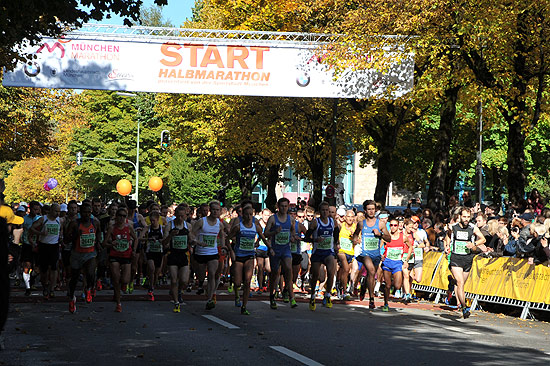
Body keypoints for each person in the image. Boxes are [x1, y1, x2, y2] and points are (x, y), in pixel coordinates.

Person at [444, 207, 486, 319]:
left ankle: (452, 282)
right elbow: (448, 236)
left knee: (460, 284)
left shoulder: (473, 227)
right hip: (455, 258)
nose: (466, 219)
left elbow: (483, 239)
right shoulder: (454, 227)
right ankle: (464, 307)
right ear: (460, 216)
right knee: (461, 282)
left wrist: (474, 244)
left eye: (468, 217)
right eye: (464, 217)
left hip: (467, 259)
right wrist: (447, 246)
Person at [227, 204, 268, 315]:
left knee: (247, 281)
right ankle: (236, 295)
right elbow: (227, 239)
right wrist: (231, 251)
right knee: (238, 282)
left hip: (250, 255)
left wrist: (270, 248)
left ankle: (244, 306)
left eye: (251, 214)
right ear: (243, 215)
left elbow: (263, 237)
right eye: (247, 214)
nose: (249, 216)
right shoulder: (238, 226)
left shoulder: (256, 226)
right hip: (239, 255)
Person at [352, 200, 391, 309]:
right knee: (372, 272)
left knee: (371, 275)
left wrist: (381, 234)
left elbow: (389, 238)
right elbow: (355, 235)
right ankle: (371, 299)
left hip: (376, 255)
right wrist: (355, 240)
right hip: (365, 254)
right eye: (369, 209)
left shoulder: (380, 224)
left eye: (373, 209)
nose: (371, 211)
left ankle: (364, 285)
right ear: (365, 210)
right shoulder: (361, 223)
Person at [65, 203, 101, 314]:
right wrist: (76, 235)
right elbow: (66, 240)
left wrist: (98, 243)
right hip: (77, 254)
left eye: (89, 212)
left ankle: (88, 288)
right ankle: (71, 298)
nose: (87, 214)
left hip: (90, 253)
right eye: (85, 212)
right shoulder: (74, 224)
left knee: (91, 272)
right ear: (80, 212)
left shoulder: (95, 223)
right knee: (74, 279)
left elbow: (99, 233)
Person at [191, 200, 226, 310]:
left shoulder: (219, 224)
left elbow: (222, 236)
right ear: (210, 210)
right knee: (201, 276)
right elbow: (191, 234)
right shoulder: (202, 222)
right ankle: (201, 283)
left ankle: (210, 298)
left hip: (213, 252)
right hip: (200, 252)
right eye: (214, 210)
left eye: (217, 210)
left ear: (220, 211)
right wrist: (197, 242)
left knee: (212, 274)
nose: (215, 212)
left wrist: (224, 247)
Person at [263, 198, 297, 309]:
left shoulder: (290, 219)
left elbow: (292, 231)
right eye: (282, 206)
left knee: (288, 268)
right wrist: (274, 232)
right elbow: (265, 234)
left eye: (286, 206)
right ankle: (272, 295)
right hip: (275, 250)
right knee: (274, 273)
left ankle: (289, 294)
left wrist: (292, 237)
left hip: (286, 249)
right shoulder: (273, 218)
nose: (284, 208)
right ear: (278, 206)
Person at [306, 202, 339, 310]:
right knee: (316, 275)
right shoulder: (315, 222)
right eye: (323, 210)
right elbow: (306, 237)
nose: (325, 212)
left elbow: (336, 233)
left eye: (327, 210)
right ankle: (312, 296)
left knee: (331, 272)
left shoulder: (333, 222)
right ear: (320, 211)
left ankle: (328, 295)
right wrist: (315, 239)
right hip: (317, 252)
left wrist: (336, 243)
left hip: (328, 252)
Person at [103, 207, 137, 312]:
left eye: (124, 216)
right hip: (115, 255)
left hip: (126, 255)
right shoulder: (112, 228)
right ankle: (118, 303)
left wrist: (134, 250)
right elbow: (104, 243)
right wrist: (111, 244)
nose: (122, 218)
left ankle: (124, 285)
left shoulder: (129, 227)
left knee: (125, 280)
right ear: (116, 216)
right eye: (120, 215)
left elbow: (136, 238)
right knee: (116, 279)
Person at [163, 205, 192, 313]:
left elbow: (191, 239)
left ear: (185, 216)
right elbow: (164, 243)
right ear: (175, 215)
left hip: (183, 255)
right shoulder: (169, 225)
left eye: (182, 216)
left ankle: (179, 291)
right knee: (174, 280)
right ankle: (176, 302)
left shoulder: (188, 226)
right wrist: (170, 235)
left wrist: (194, 242)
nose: (180, 218)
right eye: (178, 216)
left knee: (184, 280)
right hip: (173, 254)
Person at [31, 203, 62, 299]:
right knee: (43, 270)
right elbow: (31, 229)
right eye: (56, 211)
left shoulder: (60, 220)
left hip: (54, 246)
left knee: (54, 267)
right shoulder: (43, 219)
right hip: (43, 246)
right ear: (51, 210)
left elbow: (61, 230)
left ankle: (52, 289)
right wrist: (40, 233)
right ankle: (45, 286)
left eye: (59, 211)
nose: (57, 213)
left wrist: (61, 236)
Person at [381, 218, 413, 311]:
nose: (393, 227)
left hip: (397, 263)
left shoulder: (403, 237)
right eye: (391, 225)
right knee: (387, 285)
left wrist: (406, 260)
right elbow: (379, 247)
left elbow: (410, 247)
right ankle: (386, 303)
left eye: (395, 225)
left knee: (397, 285)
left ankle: (395, 290)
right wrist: (381, 256)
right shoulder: (386, 237)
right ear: (389, 226)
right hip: (387, 262)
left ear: (399, 226)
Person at [20, 201, 42, 296]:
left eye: (37, 209)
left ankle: (32, 279)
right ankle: (27, 287)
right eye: (34, 209)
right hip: (27, 245)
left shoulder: (40, 219)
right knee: (26, 266)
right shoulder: (24, 219)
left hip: (38, 245)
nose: (36, 211)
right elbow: (21, 230)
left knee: (37, 268)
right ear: (29, 209)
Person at [142, 211, 164, 301]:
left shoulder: (163, 228)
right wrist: (148, 239)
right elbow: (139, 238)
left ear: (158, 220)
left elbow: (166, 238)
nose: (152, 222)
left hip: (159, 252)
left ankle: (152, 286)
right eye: (151, 221)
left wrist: (162, 240)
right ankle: (150, 288)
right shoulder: (148, 228)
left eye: (154, 221)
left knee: (157, 273)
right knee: (152, 268)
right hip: (150, 251)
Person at [337, 210, 356, 300]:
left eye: (352, 217)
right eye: (348, 216)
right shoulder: (341, 226)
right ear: (345, 217)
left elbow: (358, 241)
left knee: (344, 272)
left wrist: (354, 236)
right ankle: (344, 291)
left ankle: (339, 285)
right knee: (346, 269)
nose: (350, 219)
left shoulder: (355, 227)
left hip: (350, 252)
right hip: (341, 251)